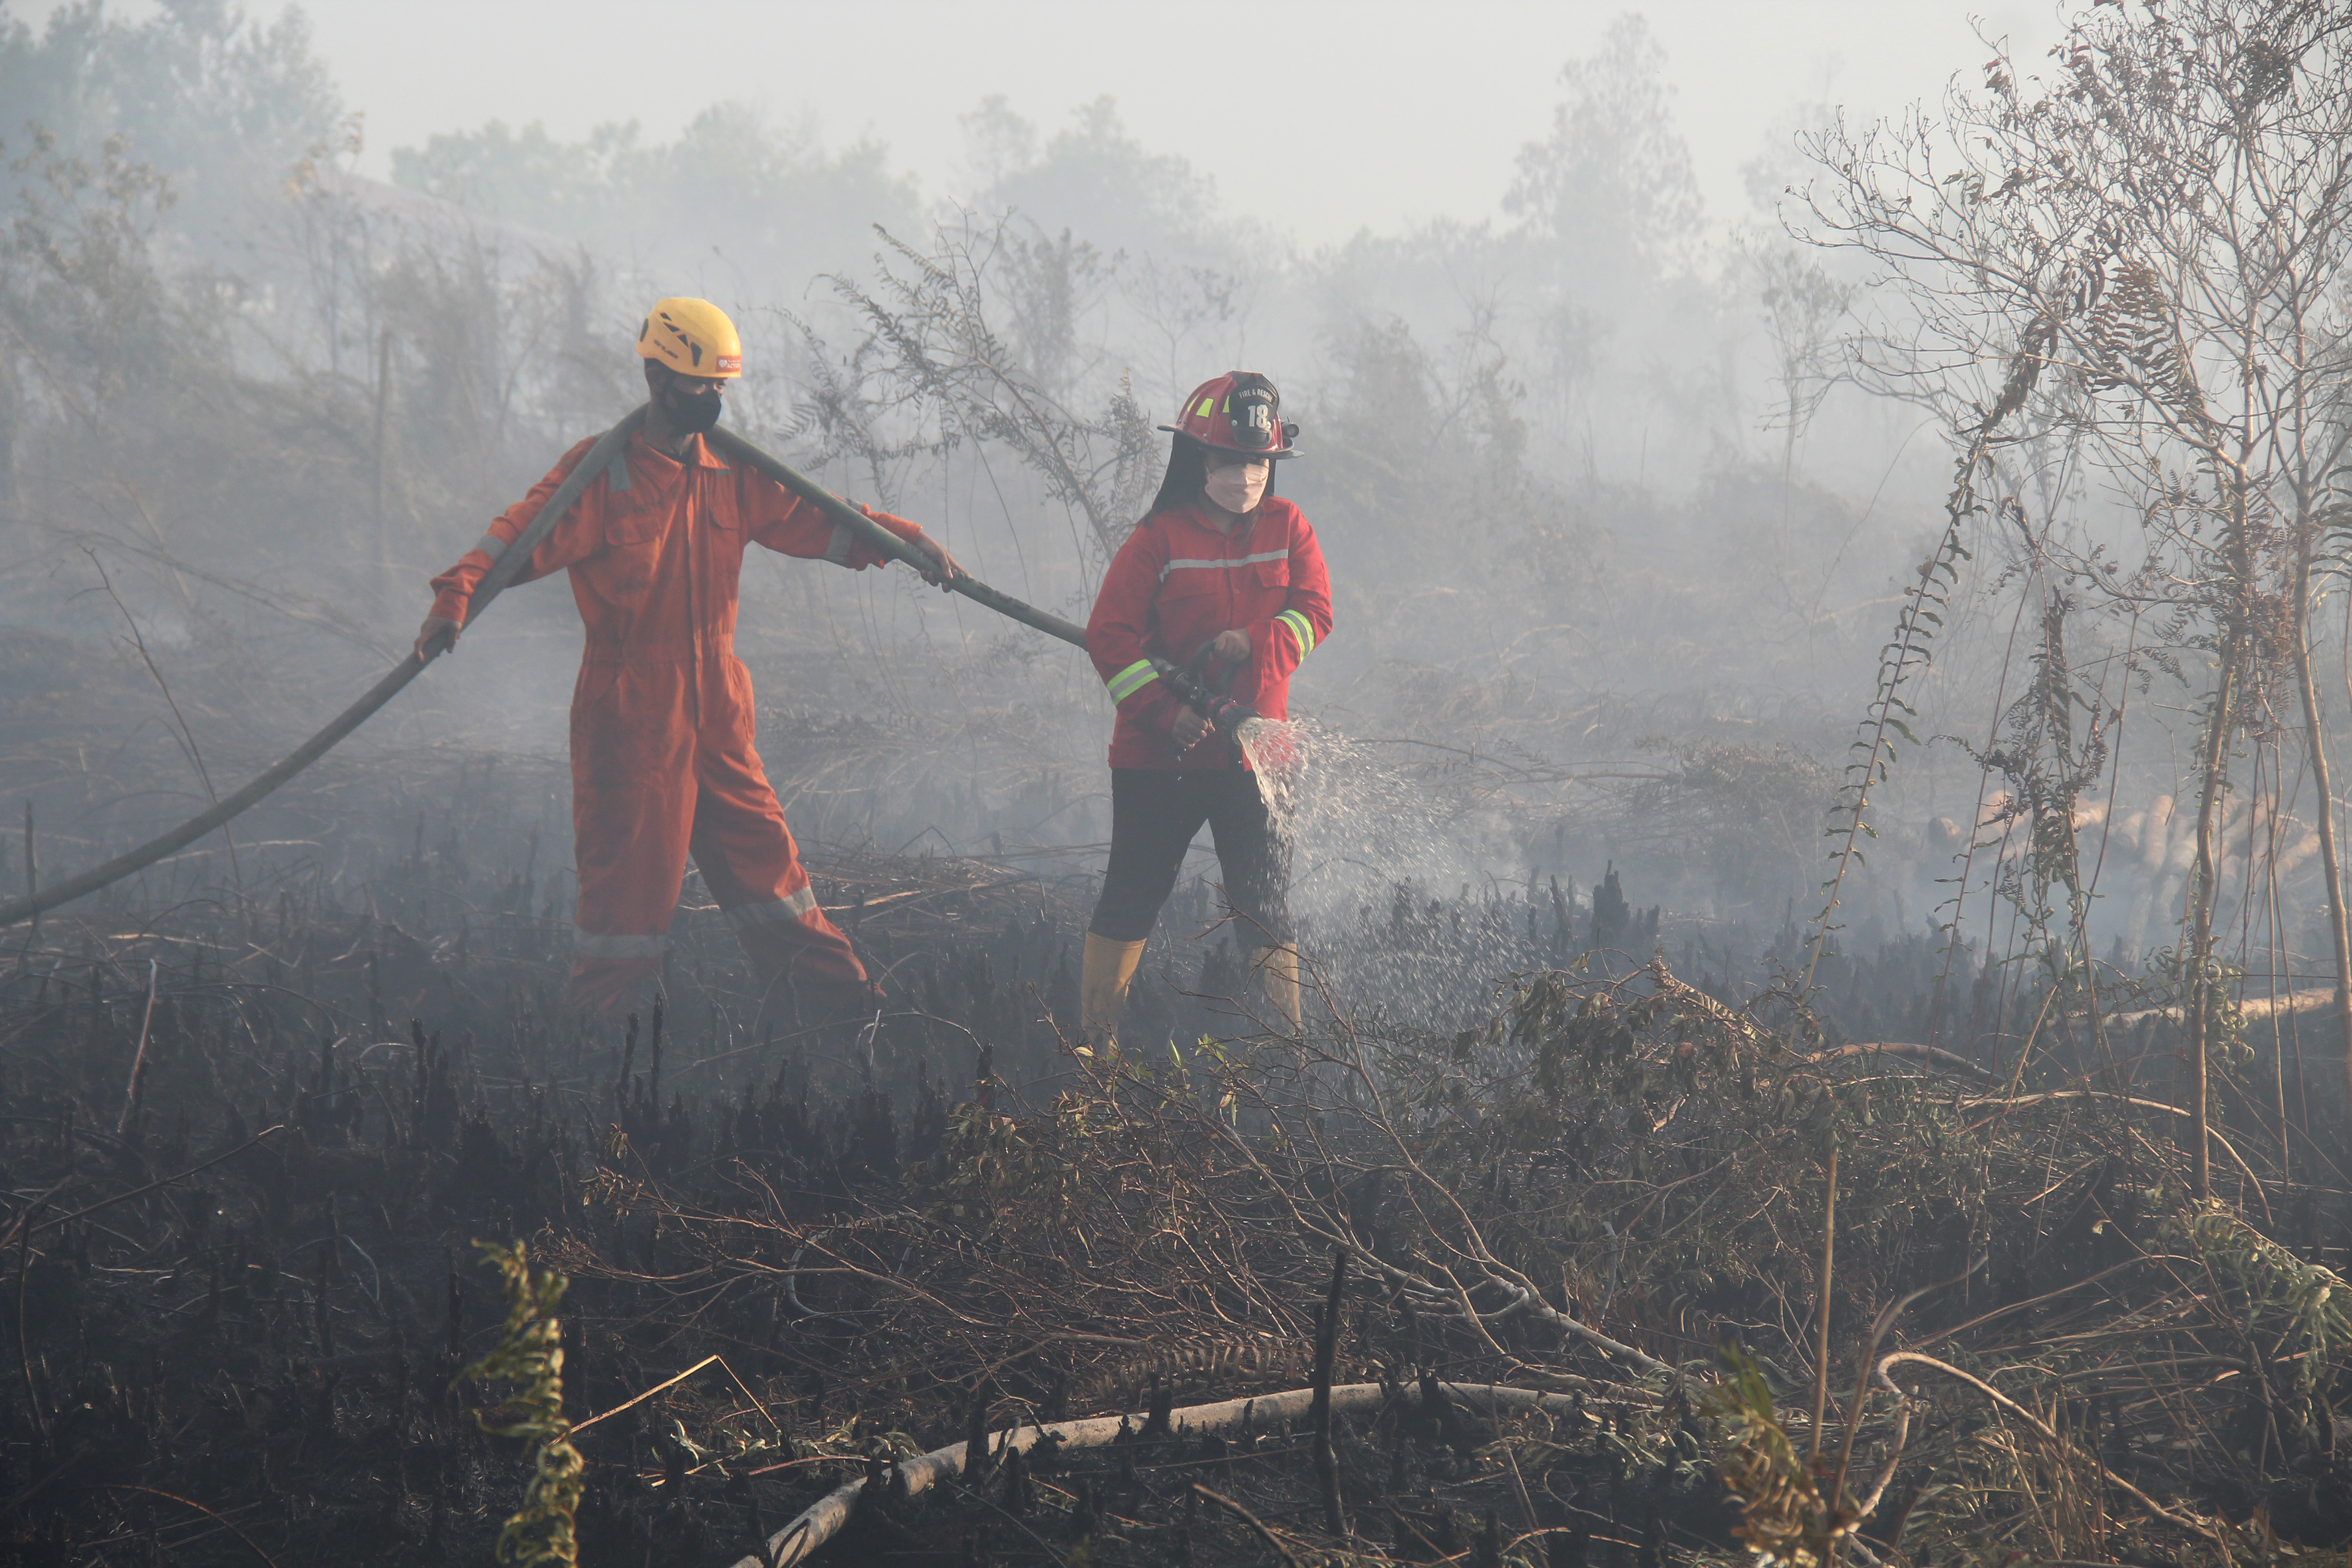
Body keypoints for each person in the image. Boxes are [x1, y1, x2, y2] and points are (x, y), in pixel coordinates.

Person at [414, 297, 962, 1015]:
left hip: (719, 709)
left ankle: (848, 1017)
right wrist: (456, 596)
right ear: (655, 375)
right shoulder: (600, 473)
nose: (714, 399)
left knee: (773, 874)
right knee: (627, 904)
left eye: (722, 386)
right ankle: (603, 1046)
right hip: (631, 717)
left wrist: (903, 541)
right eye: (701, 384)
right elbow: (519, 535)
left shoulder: (732, 470)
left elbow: (814, 514)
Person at [1081, 371, 1332, 1044]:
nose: (1245, 474)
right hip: (1156, 760)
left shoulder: (1289, 529)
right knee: (1130, 898)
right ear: (1198, 459)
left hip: (1258, 757)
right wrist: (1166, 715)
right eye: (1230, 459)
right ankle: (1096, 1050)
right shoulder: (1156, 541)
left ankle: (1290, 1054)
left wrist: (1254, 642)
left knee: (1265, 909)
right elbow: (1108, 636)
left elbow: (1315, 613)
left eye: (1257, 461)